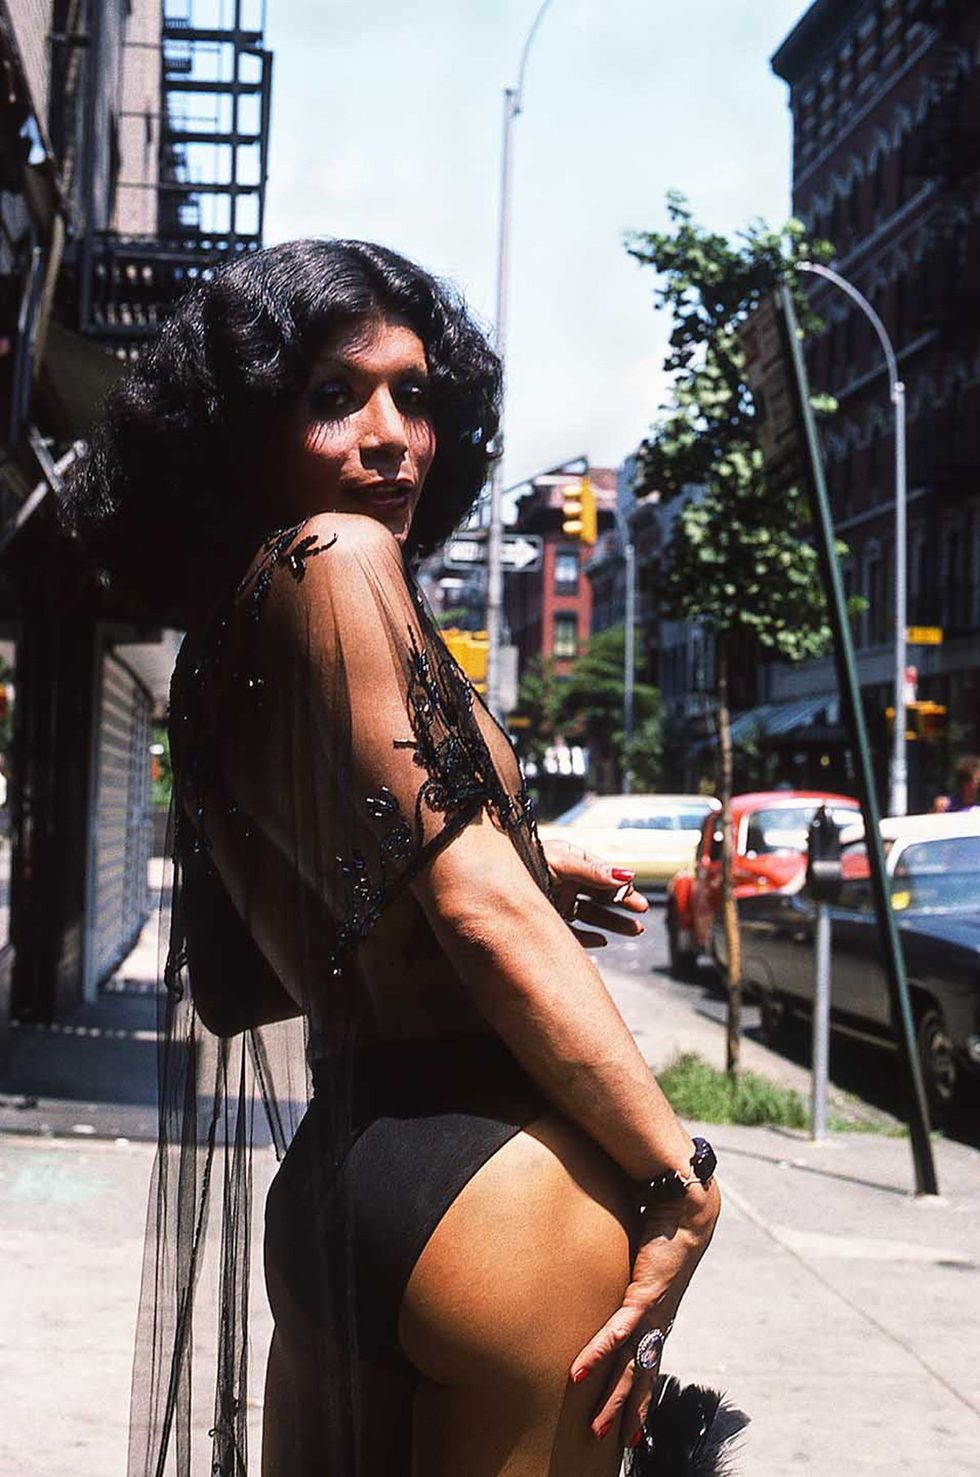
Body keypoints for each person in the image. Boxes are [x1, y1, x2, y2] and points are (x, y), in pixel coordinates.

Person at [60, 239, 723, 1477]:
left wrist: (518, 859)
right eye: (334, 397)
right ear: (244, 425)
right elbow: (475, 915)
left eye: (414, 395)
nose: (391, 438)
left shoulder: (219, 651)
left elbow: (262, 970)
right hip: (494, 1187)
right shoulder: (342, 559)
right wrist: (675, 1174)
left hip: (340, 1184)